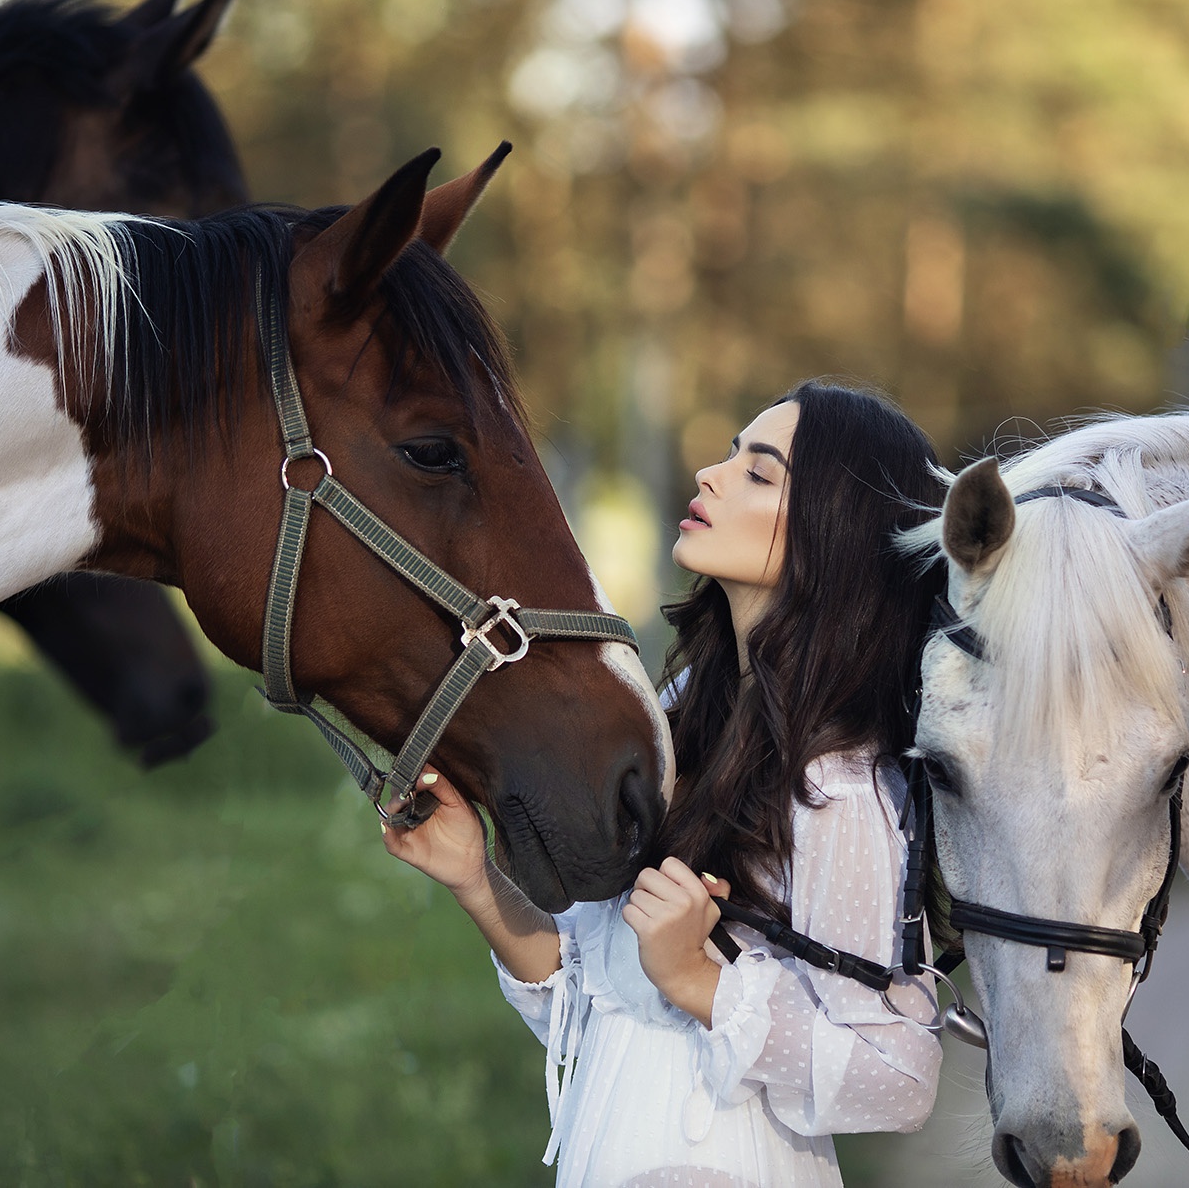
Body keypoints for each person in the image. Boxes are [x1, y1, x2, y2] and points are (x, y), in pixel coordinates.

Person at [383, 380, 946, 1187]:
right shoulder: (677, 719)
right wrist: (476, 875)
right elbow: (585, 999)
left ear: (836, 531)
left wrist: (698, 979)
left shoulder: (840, 787)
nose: (713, 475)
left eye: (759, 473)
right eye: (727, 455)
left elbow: (900, 1077)